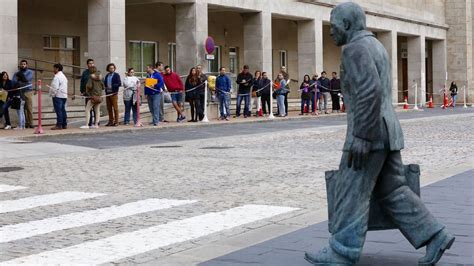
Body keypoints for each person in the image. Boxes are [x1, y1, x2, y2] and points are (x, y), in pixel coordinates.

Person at [305, 3, 455, 265]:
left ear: (348, 24)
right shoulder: (375, 45)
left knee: (351, 191)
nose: (331, 31)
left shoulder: (355, 49)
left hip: (369, 135)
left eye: (334, 24)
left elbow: (369, 92)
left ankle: (342, 251)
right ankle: (435, 235)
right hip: (388, 131)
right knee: (394, 190)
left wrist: (362, 137)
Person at [12, 60, 33, 128]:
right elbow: (14, 81)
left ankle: (31, 123)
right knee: (22, 109)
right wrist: (22, 80)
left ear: (27, 65)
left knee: (29, 108)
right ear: (20, 65)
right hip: (20, 92)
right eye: (21, 64)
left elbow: (27, 79)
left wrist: (20, 79)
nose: (23, 65)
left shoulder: (30, 72)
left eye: (24, 64)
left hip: (28, 91)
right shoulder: (16, 73)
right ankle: (25, 123)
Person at [48, 64, 68, 130]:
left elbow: (55, 87)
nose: (53, 70)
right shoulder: (64, 76)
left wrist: (52, 94)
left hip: (58, 95)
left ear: (57, 69)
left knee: (58, 111)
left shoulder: (57, 77)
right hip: (64, 95)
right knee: (63, 110)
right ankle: (64, 124)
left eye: (54, 68)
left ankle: (59, 125)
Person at [80, 59, 95, 127]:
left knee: (95, 108)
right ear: (87, 65)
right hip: (87, 93)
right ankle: (89, 122)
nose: (91, 65)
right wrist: (82, 91)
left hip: (95, 93)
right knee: (88, 108)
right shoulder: (85, 73)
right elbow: (82, 82)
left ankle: (96, 122)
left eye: (92, 63)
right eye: (89, 63)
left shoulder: (96, 72)